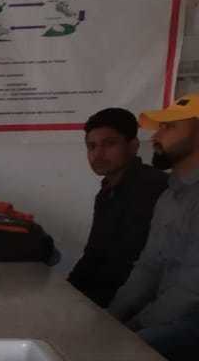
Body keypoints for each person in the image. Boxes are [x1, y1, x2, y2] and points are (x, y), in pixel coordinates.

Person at [109, 96, 199, 361]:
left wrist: (137, 325)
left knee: (124, 357)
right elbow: (148, 267)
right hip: (171, 314)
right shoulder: (169, 196)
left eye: (169, 127)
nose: (155, 137)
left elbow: (191, 291)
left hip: (192, 318)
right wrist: (109, 318)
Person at [68, 108, 171, 309]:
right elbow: (93, 254)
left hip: (140, 307)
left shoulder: (152, 188)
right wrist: (67, 294)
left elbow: (130, 265)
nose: (98, 154)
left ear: (133, 146)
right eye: (91, 146)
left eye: (109, 144)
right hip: (107, 301)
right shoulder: (108, 191)